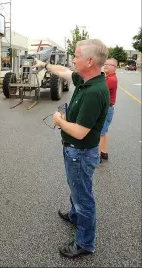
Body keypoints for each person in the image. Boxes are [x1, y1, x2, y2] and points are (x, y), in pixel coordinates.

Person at [33, 39, 109, 258]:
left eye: (76, 56)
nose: (73, 59)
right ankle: (75, 216)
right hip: (75, 151)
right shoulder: (86, 80)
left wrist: (59, 120)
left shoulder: (94, 92)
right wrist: (44, 65)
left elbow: (80, 132)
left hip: (80, 152)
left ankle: (85, 243)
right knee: (76, 187)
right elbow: (65, 72)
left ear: (89, 60)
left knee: (83, 197)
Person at [99, 58, 118, 161]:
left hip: (106, 109)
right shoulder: (109, 77)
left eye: (109, 65)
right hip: (108, 108)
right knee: (104, 131)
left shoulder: (111, 80)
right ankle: (104, 152)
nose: (105, 66)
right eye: (105, 64)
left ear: (114, 67)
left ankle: (97, 156)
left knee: (100, 132)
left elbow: (99, 91)